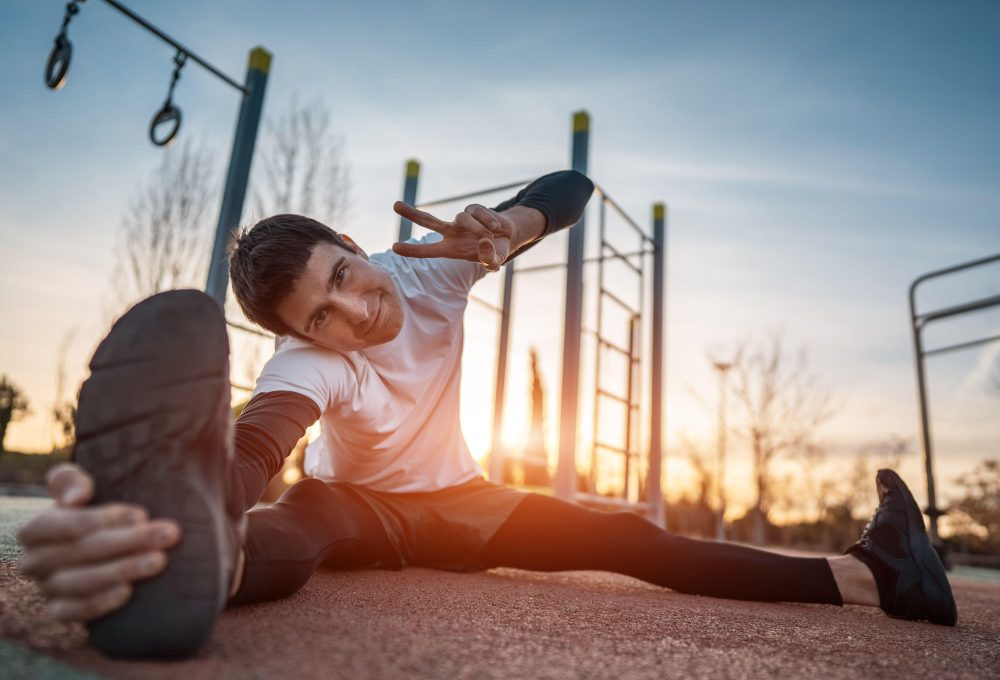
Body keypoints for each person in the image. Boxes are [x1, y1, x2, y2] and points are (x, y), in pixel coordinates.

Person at [16, 170, 957, 659]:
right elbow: (260, 448)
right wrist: (164, 510)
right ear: (301, 335)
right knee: (290, 524)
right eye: (322, 316)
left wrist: (513, 227)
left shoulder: (431, 270)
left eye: (344, 276)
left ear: (355, 245)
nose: (356, 311)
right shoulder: (306, 365)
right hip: (357, 506)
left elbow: (569, 190)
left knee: (628, 536)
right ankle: (190, 560)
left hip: (464, 501)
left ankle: (875, 576)